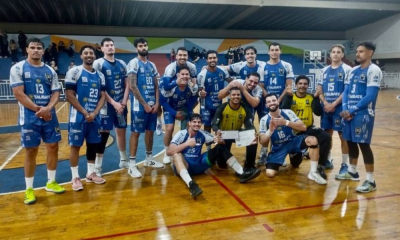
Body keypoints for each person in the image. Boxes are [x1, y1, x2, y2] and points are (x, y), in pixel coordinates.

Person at [10, 37, 65, 204]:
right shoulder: (17, 68)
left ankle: (51, 182)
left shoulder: (50, 70)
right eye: (32, 47)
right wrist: (39, 110)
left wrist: (48, 108)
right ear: (26, 49)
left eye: (39, 47)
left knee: (53, 147)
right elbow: (19, 94)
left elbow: (56, 93)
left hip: (49, 115)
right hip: (29, 117)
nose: (35, 50)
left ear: (43, 51)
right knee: (31, 151)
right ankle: (29, 189)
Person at [167, 114, 260, 198]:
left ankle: (241, 173)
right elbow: (169, 151)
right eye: (194, 122)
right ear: (189, 123)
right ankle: (191, 184)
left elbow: (219, 141)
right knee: (176, 155)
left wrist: (219, 140)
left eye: (199, 122)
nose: (197, 124)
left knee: (220, 147)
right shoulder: (181, 134)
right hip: (185, 166)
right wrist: (186, 144)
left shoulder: (202, 133)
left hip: (198, 164)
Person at [337, 42, 382, 193]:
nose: (357, 54)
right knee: (349, 142)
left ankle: (371, 180)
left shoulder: (374, 70)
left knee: (363, 145)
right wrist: (345, 109)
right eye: (357, 51)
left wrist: (353, 110)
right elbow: (346, 91)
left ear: (370, 53)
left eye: (361, 51)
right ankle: (352, 171)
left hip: (363, 114)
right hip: (348, 112)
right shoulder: (353, 70)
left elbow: (370, 96)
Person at [259, 94, 326, 185]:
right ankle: (302, 153)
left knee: (313, 140)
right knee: (270, 174)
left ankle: (313, 173)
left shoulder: (288, 112)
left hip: (293, 141)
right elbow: (262, 141)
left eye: (274, 100)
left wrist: (286, 122)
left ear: (278, 101)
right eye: (269, 102)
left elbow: (303, 127)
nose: (272, 103)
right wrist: (270, 131)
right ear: (266, 105)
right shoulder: (264, 119)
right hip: (278, 148)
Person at [65, 45, 106, 191]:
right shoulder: (74, 71)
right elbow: (69, 95)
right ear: (81, 56)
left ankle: (90, 173)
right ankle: (75, 177)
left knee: (93, 145)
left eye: (91, 53)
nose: (89, 55)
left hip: (94, 117)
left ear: (95, 56)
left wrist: (94, 113)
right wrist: (84, 112)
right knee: (75, 146)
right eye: (86, 53)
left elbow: (103, 96)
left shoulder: (100, 75)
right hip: (78, 117)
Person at [93, 38, 131, 177]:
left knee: (121, 131)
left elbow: (127, 84)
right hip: (106, 105)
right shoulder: (98, 63)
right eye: (107, 45)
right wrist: (114, 103)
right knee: (104, 134)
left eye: (112, 45)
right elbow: (100, 87)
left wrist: (124, 101)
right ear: (102, 49)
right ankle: (98, 166)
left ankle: (123, 160)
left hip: (121, 103)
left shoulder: (121, 63)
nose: (110, 47)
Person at [126, 37, 164, 177]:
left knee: (150, 132)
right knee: (135, 133)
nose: (143, 47)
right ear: (136, 48)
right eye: (141, 45)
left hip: (152, 105)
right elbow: (132, 86)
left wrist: (157, 103)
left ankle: (149, 159)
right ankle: (131, 165)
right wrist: (144, 104)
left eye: (145, 45)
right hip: (139, 107)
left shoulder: (152, 65)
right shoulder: (133, 63)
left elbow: (156, 86)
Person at [315, 44, 352, 174]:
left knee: (343, 136)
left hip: (340, 108)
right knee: (326, 135)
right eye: (333, 52)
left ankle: (344, 164)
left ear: (342, 55)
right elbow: (320, 90)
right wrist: (325, 102)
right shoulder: (324, 70)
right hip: (326, 107)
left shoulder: (347, 69)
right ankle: (327, 160)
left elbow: (346, 91)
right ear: (330, 55)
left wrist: (334, 104)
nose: (335, 54)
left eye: (338, 52)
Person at [286, 75, 332, 180]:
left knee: (326, 137)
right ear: (296, 85)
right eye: (300, 83)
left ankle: (321, 166)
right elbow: (283, 110)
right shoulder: (290, 96)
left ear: (308, 86)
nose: (303, 86)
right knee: (295, 164)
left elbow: (318, 112)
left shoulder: (311, 97)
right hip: (294, 131)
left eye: (305, 84)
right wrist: (288, 97)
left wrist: (316, 98)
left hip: (308, 128)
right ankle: (303, 152)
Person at [258, 42, 294, 166]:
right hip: (267, 103)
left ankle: (279, 153)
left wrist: (279, 99)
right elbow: (261, 86)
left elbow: (288, 86)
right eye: (272, 50)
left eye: (276, 50)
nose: (274, 52)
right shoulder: (263, 67)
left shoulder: (286, 65)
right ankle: (263, 153)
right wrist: (270, 99)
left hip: (281, 102)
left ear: (280, 51)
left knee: (280, 128)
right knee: (266, 128)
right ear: (268, 52)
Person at [212, 87, 261, 177]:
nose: (236, 96)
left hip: (237, 134)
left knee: (253, 137)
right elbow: (214, 124)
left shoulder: (245, 109)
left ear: (241, 96)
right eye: (233, 94)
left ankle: (249, 165)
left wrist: (253, 132)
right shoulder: (222, 107)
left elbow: (249, 124)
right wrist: (217, 130)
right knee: (222, 164)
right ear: (229, 96)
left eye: (238, 95)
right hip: (225, 135)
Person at [161, 66, 198, 165]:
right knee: (169, 128)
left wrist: (187, 111)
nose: (185, 76)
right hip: (170, 108)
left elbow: (195, 99)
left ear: (190, 76)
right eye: (182, 74)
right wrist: (174, 113)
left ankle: (185, 150)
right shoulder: (171, 86)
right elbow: (163, 101)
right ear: (178, 75)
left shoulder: (192, 86)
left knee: (191, 126)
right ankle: (166, 152)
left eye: (187, 74)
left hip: (183, 108)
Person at [197, 50, 232, 136]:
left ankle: (217, 147)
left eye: (214, 58)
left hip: (219, 105)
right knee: (207, 127)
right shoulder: (202, 75)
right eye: (210, 58)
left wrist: (229, 91)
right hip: (206, 106)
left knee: (218, 126)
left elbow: (231, 82)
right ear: (206, 60)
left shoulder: (223, 71)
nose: (212, 60)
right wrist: (201, 93)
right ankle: (209, 147)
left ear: (217, 59)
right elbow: (199, 90)